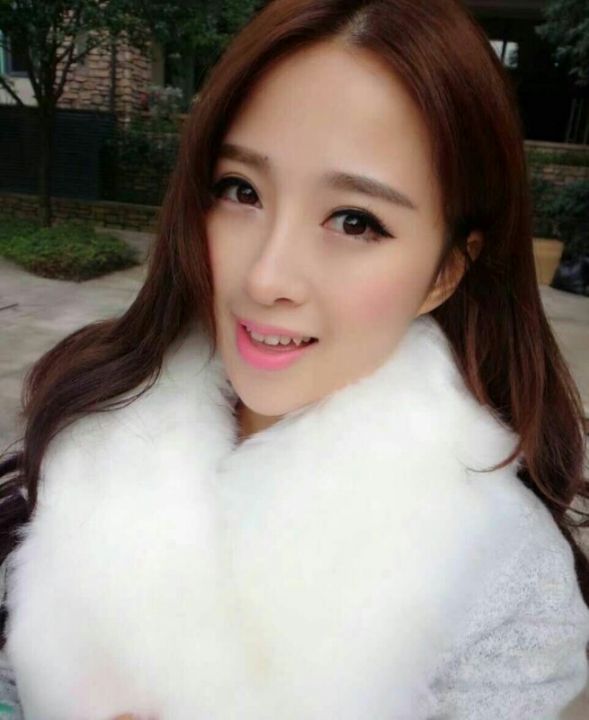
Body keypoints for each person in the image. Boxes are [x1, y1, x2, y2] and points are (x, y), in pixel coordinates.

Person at [0, 0, 588, 717]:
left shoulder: (505, 579)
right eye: (240, 190)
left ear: (444, 272)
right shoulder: (88, 428)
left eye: (355, 221)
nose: (266, 277)